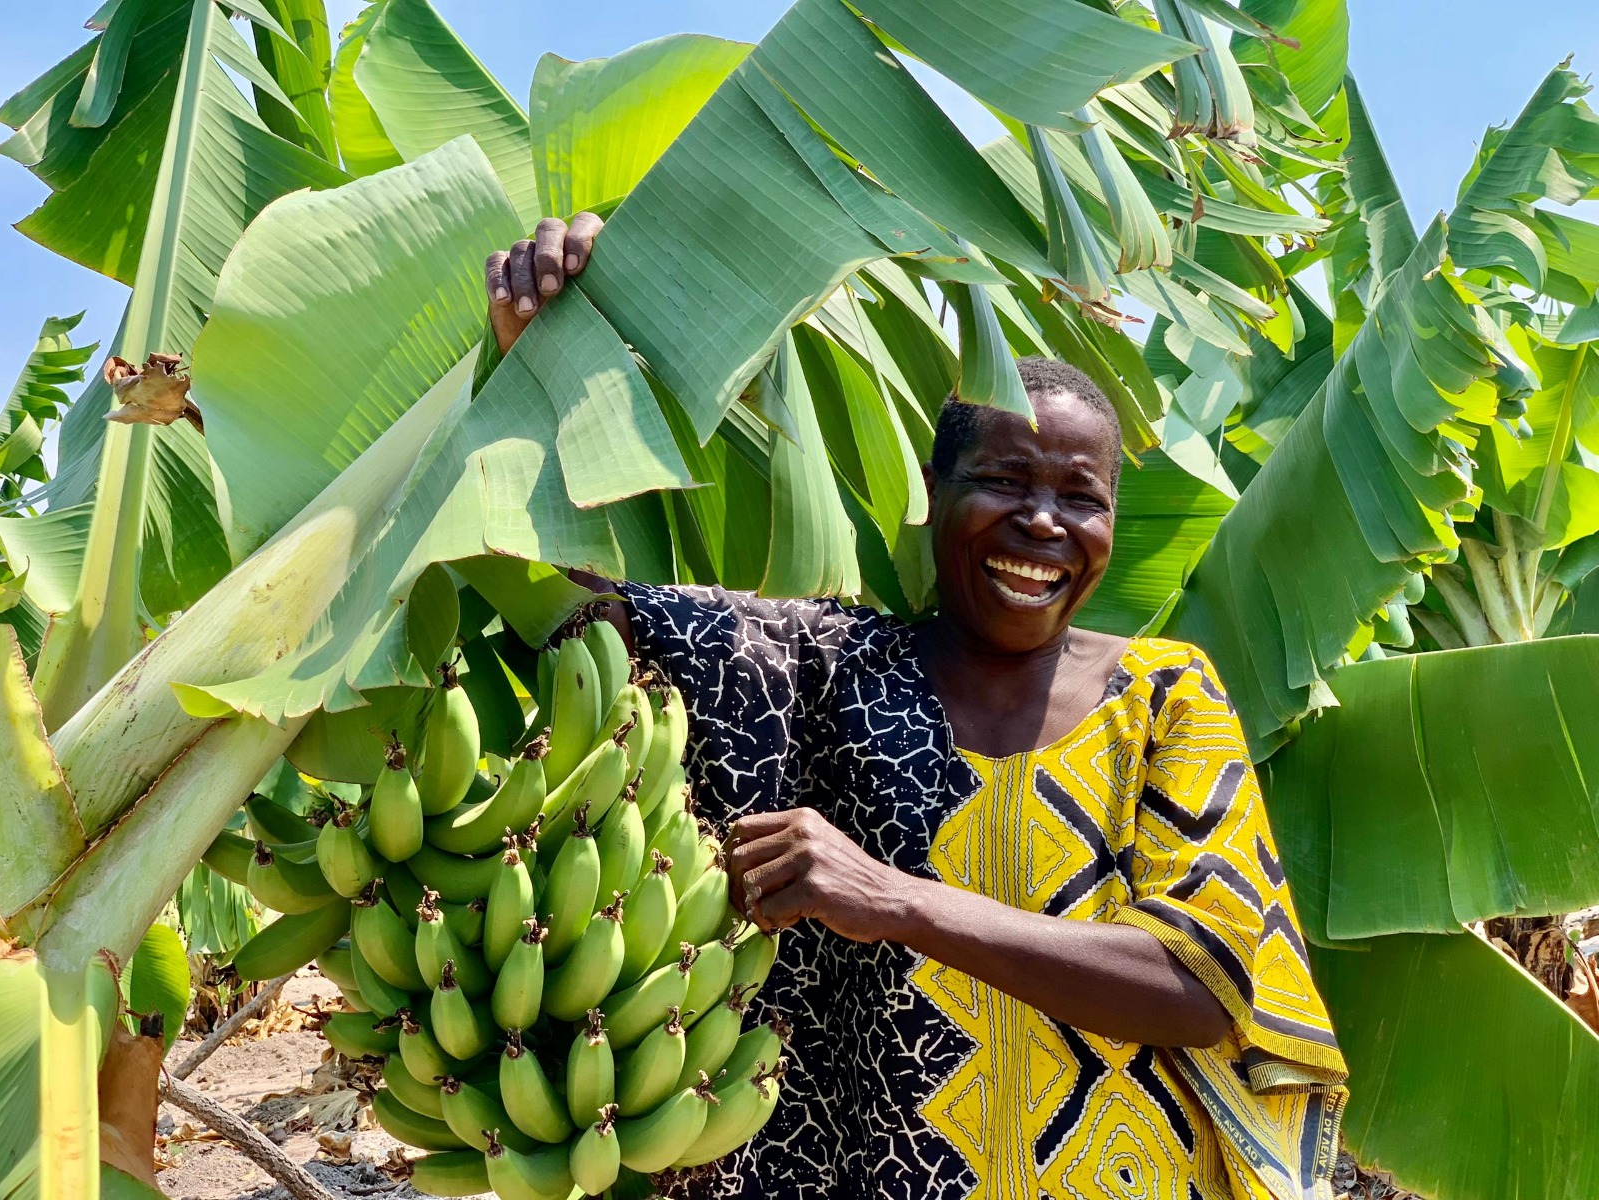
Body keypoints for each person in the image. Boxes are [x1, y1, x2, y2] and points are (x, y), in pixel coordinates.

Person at [485, 219, 1349, 1200]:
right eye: (1005, 481)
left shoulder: (1161, 696)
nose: (1044, 525)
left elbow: (1205, 986)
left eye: (1082, 497)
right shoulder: (823, 667)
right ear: (933, 493)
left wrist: (891, 899)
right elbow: (599, 618)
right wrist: (541, 362)